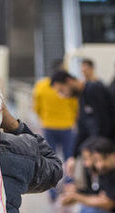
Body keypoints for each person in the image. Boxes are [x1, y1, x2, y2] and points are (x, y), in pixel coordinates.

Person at [50, 69, 115, 167]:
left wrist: (94, 151)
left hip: (113, 148)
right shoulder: (82, 97)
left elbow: (103, 124)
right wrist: (73, 156)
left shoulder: (94, 89)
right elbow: (82, 129)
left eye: (61, 90)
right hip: (100, 149)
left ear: (69, 81)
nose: (63, 95)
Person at [32, 59, 78, 199]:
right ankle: (69, 188)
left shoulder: (41, 86)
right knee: (69, 157)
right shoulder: (66, 86)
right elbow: (75, 105)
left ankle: (52, 190)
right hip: (67, 127)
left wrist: (44, 118)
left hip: (48, 126)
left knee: (50, 159)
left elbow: (36, 107)